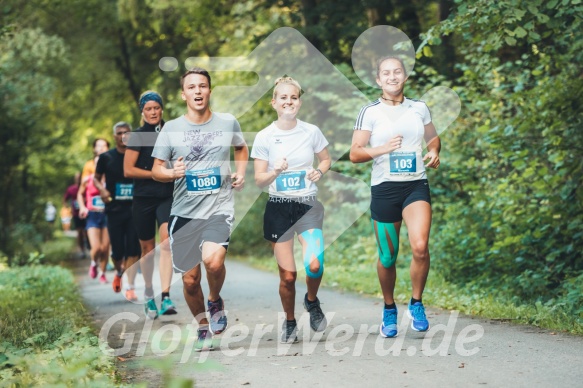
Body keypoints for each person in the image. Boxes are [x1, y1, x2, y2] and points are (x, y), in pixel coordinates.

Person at [151, 67, 248, 351]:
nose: (197, 91)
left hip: (219, 207)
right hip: (183, 212)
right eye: (191, 87)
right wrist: (171, 173)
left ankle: (215, 298)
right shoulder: (171, 129)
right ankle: (203, 326)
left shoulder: (227, 122)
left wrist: (240, 172)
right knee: (191, 281)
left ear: (209, 91)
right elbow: (156, 169)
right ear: (183, 95)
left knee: (213, 262)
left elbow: (241, 148)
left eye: (202, 86)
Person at [349, 56, 441, 337]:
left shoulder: (419, 108)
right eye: (386, 73)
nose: (392, 76)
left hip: (415, 186)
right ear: (378, 80)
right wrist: (382, 149)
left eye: (397, 71)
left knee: (420, 247)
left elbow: (433, 138)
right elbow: (355, 153)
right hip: (385, 188)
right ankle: (389, 308)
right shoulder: (370, 112)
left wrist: (435, 150)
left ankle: (416, 303)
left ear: (405, 76)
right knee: (388, 256)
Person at [251, 76, 331, 343]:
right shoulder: (265, 136)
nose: (289, 101)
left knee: (315, 265)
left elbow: (326, 158)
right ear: (274, 102)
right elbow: (259, 179)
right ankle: (289, 321)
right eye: (283, 97)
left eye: (293, 97)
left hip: (308, 205)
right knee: (288, 276)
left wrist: (319, 171)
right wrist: (276, 170)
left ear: (299, 101)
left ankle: (311, 300)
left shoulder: (311, 131)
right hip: (279, 208)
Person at [124, 90, 177, 318]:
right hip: (143, 198)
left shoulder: (171, 131)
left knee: (166, 243)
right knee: (147, 249)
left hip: (167, 195)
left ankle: (165, 297)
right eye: (148, 109)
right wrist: (156, 174)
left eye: (156, 108)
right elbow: (128, 170)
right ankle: (148, 293)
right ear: (142, 112)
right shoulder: (137, 136)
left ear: (161, 109)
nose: (153, 112)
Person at [93, 122, 141, 301]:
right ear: (114, 136)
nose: (123, 136)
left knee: (133, 248)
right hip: (114, 209)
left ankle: (130, 286)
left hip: (135, 208)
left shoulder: (139, 154)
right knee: (118, 251)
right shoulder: (106, 157)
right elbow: (96, 179)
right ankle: (119, 271)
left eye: (126, 133)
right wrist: (102, 190)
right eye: (119, 133)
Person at [78, 138, 111, 283]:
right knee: (96, 247)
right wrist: (83, 207)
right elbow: (80, 192)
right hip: (92, 214)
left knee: (105, 248)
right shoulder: (88, 176)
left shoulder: (111, 175)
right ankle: (93, 263)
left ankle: (102, 272)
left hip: (107, 213)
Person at [64, 172, 88, 257]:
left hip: (86, 213)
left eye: (79, 177)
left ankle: (89, 246)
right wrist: (66, 208)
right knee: (80, 232)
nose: (78, 179)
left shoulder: (85, 187)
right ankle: (82, 250)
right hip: (76, 214)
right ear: (75, 179)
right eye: (77, 178)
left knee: (87, 232)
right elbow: (65, 199)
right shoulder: (71, 189)